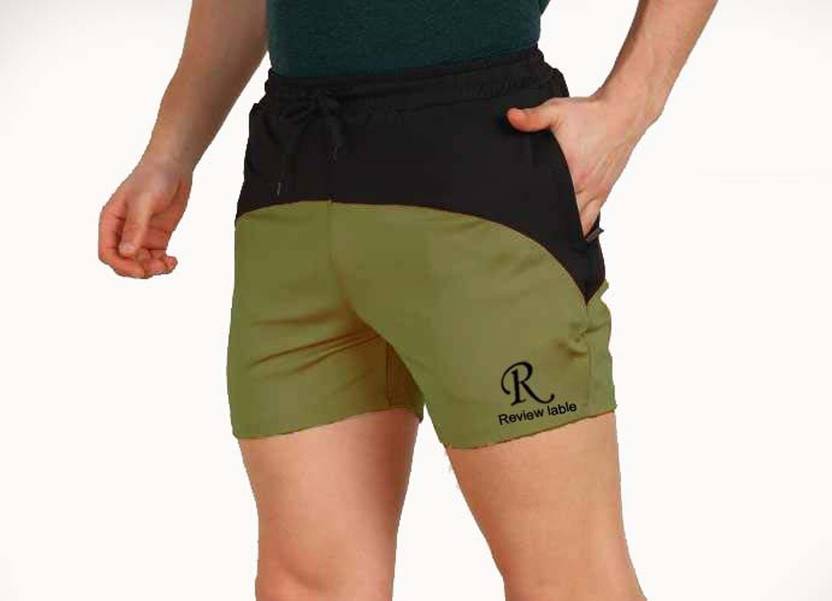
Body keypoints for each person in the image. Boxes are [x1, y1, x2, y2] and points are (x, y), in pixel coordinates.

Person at [98, 1, 716, 599]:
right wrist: (170, 151)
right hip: (291, 176)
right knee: (308, 587)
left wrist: (629, 107)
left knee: (568, 583)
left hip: (477, 164)